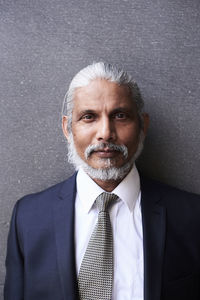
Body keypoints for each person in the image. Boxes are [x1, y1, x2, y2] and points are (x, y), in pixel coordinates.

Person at [4, 62, 200, 300]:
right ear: (67, 128)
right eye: (89, 117)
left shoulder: (192, 216)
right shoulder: (28, 217)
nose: (105, 132)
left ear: (143, 126)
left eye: (120, 115)